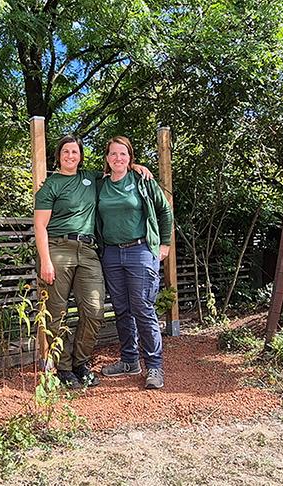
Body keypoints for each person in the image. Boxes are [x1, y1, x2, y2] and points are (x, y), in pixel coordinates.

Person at [34, 135, 152, 389]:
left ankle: (81, 363)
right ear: (59, 156)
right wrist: (45, 261)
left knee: (95, 310)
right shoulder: (51, 185)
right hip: (58, 248)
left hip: (88, 251)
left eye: (74, 152)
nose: (70, 156)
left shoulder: (92, 179)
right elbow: (40, 226)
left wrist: (135, 166)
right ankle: (64, 368)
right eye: (65, 151)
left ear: (80, 156)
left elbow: (117, 169)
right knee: (56, 312)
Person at [97, 135, 173, 390]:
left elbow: (164, 211)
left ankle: (154, 366)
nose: (118, 158)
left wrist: (164, 244)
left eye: (123, 154)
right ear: (107, 158)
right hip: (111, 254)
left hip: (140, 251)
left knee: (143, 308)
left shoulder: (142, 180)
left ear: (130, 157)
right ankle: (129, 361)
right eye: (113, 153)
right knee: (121, 309)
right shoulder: (100, 184)